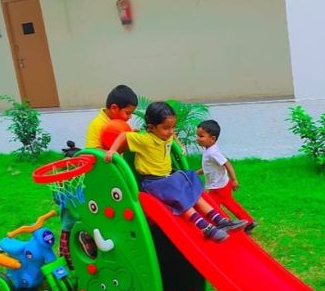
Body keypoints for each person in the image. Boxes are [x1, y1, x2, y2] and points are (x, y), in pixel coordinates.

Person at [104, 101, 247, 242]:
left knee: (191, 183)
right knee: (179, 194)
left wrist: (180, 145)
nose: (171, 131)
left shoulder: (165, 135)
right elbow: (124, 135)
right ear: (151, 127)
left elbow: (173, 136)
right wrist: (112, 150)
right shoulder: (145, 139)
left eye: (173, 127)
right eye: (166, 128)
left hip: (168, 177)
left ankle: (219, 220)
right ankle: (204, 227)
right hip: (153, 182)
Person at [195, 120, 257, 232]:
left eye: (201, 136)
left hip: (220, 187)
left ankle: (221, 225)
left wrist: (234, 180)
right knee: (228, 203)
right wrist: (197, 173)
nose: (197, 139)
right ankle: (248, 221)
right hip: (218, 185)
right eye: (197, 135)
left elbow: (227, 164)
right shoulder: (210, 151)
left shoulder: (213, 153)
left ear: (212, 138)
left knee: (212, 206)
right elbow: (209, 168)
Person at [85, 84, 138, 149]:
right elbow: (92, 151)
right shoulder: (97, 124)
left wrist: (130, 137)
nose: (130, 117)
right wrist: (111, 152)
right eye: (127, 113)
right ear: (114, 108)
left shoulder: (120, 123)